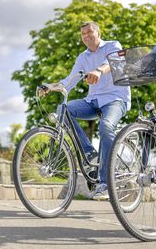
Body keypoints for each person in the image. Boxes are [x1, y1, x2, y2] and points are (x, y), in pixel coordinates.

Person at [40, 21, 131, 200]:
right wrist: (50, 87)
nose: (87, 36)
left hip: (115, 99)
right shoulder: (83, 57)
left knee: (105, 127)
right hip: (93, 101)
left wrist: (98, 71)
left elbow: (113, 62)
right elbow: (70, 80)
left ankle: (105, 182)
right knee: (63, 110)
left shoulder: (112, 46)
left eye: (90, 32)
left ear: (98, 32)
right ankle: (90, 153)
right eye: (83, 34)